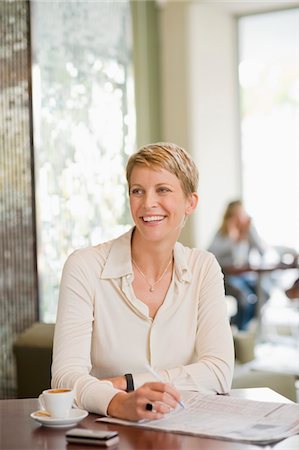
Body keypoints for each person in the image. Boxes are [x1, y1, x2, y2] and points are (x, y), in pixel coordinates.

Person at [52, 142, 234, 422]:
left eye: (163, 190)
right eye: (138, 191)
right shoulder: (84, 267)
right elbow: (65, 378)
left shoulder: (204, 268)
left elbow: (219, 371)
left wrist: (126, 383)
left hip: (186, 430)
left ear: (190, 203)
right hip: (104, 432)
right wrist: (117, 403)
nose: (148, 203)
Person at [208, 200, 268, 331]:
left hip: (245, 276)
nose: (241, 218)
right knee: (244, 297)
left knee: (264, 293)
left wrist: (252, 232)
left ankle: (239, 323)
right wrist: (231, 237)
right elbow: (210, 254)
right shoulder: (222, 233)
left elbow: (263, 252)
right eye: (236, 215)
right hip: (227, 277)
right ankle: (241, 332)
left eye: (242, 214)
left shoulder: (248, 232)